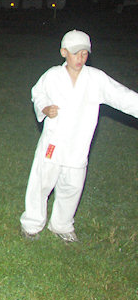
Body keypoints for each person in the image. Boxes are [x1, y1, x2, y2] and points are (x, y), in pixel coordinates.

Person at [20, 30, 138, 242]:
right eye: (76, 53)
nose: (80, 58)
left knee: (72, 186)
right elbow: (38, 93)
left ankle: (62, 225)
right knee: (41, 182)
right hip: (54, 142)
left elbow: (122, 96)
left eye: (84, 54)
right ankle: (32, 223)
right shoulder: (53, 76)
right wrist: (45, 108)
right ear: (64, 52)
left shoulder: (96, 79)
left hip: (79, 143)